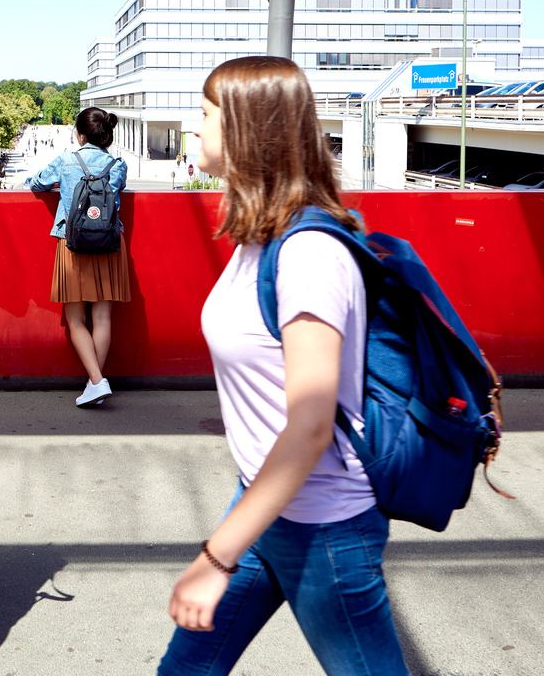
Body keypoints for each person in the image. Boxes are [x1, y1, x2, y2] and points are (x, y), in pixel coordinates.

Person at [158, 55, 405, 676]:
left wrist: (216, 558)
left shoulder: (309, 255)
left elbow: (310, 426)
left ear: (247, 131)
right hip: (266, 504)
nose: (196, 127)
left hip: (325, 527)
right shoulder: (257, 238)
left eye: (207, 114)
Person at [27, 106, 129, 408]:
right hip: (109, 242)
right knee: (102, 316)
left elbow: (38, 183)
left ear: (81, 134)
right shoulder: (118, 164)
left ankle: (97, 382)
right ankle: (95, 383)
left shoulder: (68, 160)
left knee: (75, 319)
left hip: (72, 242)